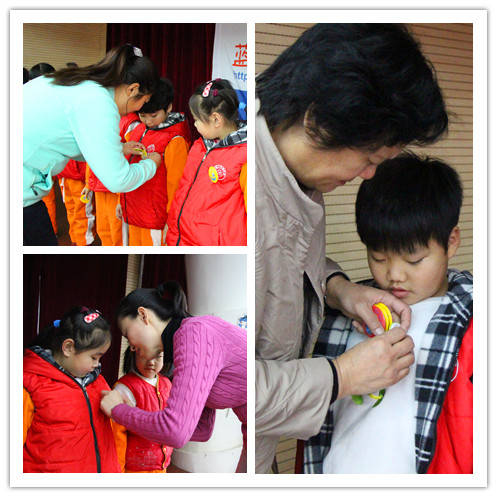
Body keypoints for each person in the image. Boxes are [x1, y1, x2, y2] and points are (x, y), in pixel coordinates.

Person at [255, 23, 449, 473]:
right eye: (370, 159)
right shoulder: (242, 206)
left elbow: (287, 262)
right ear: (317, 121)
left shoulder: (298, 179)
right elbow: (220, 386)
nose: (368, 176)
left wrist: (342, 289)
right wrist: (342, 376)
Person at [303, 153, 472, 474]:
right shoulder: (350, 311)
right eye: (379, 257)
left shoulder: (472, 326)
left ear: (451, 242)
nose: (394, 275)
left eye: (414, 260)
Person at [99, 281, 247, 473]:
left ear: (143, 315)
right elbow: (201, 429)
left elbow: (175, 432)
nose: (132, 347)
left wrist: (118, 410)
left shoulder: (194, 334)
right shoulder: (184, 346)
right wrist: (143, 422)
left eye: (128, 335)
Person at [23, 44, 162, 245]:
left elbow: (74, 136)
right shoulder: (98, 102)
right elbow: (119, 180)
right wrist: (151, 164)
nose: (140, 108)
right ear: (132, 89)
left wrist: (118, 148)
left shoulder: (78, 82)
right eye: (144, 101)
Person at [23, 306, 120, 473]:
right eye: (94, 357)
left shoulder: (99, 382)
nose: (97, 364)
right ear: (68, 347)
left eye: (100, 358)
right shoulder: (30, 384)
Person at [166, 79, 247, 246]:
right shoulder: (198, 146)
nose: (195, 125)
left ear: (216, 120)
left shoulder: (244, 155)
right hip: (180, 238)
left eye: (197, 119)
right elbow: (183, 189)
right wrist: (171, 225)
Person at [116, 78, 191, 246]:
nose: (148, 121)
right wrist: (121, 200)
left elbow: (177, 186)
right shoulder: (138, 129)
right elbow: (127, 167)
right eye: (142, 115)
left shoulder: (175, 140)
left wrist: (172, 221)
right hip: (132, 211)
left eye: (154, 115)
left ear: (168, 108)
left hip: (155, 220)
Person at [111, 346, 174, 472]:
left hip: (162, 466)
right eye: (145, 355)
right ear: (133, 354)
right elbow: (117, 436)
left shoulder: (167, 384)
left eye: (158, 356)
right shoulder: (124, 388)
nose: (151, 362)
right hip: (135, 469)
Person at [58, 160, 96, 245]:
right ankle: (76, 241)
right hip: (65, 172)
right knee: (71, 210)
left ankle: (82, 243)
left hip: (79, 174)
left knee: (82, 212)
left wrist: (88, 181)